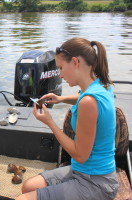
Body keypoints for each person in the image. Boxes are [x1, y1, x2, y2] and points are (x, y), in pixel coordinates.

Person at [16, 37, 119, 200]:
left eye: (61, 68)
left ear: (75, 62)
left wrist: (50, 123)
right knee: (28, 186)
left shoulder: (88, 102)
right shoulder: (101, 86)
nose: (60, 74)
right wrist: (60, 98)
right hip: (82, 170)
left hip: (97, 181)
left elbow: (79, 155)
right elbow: (82, 98)